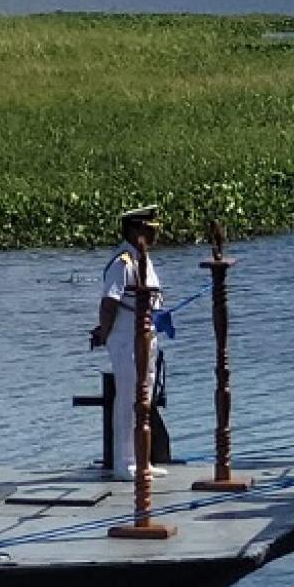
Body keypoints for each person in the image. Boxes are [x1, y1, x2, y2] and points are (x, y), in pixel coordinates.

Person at [90, 206, 167, 482]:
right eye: (149, 229)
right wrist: (105, 332)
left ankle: (141, 459)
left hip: (147, 337)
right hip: (126, 338)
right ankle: (124, 463)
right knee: (127, 399)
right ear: (135, 231)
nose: (155, 233)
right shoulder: (123, 262)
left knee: (145, 398)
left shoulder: (142, 258)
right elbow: (109, 302)